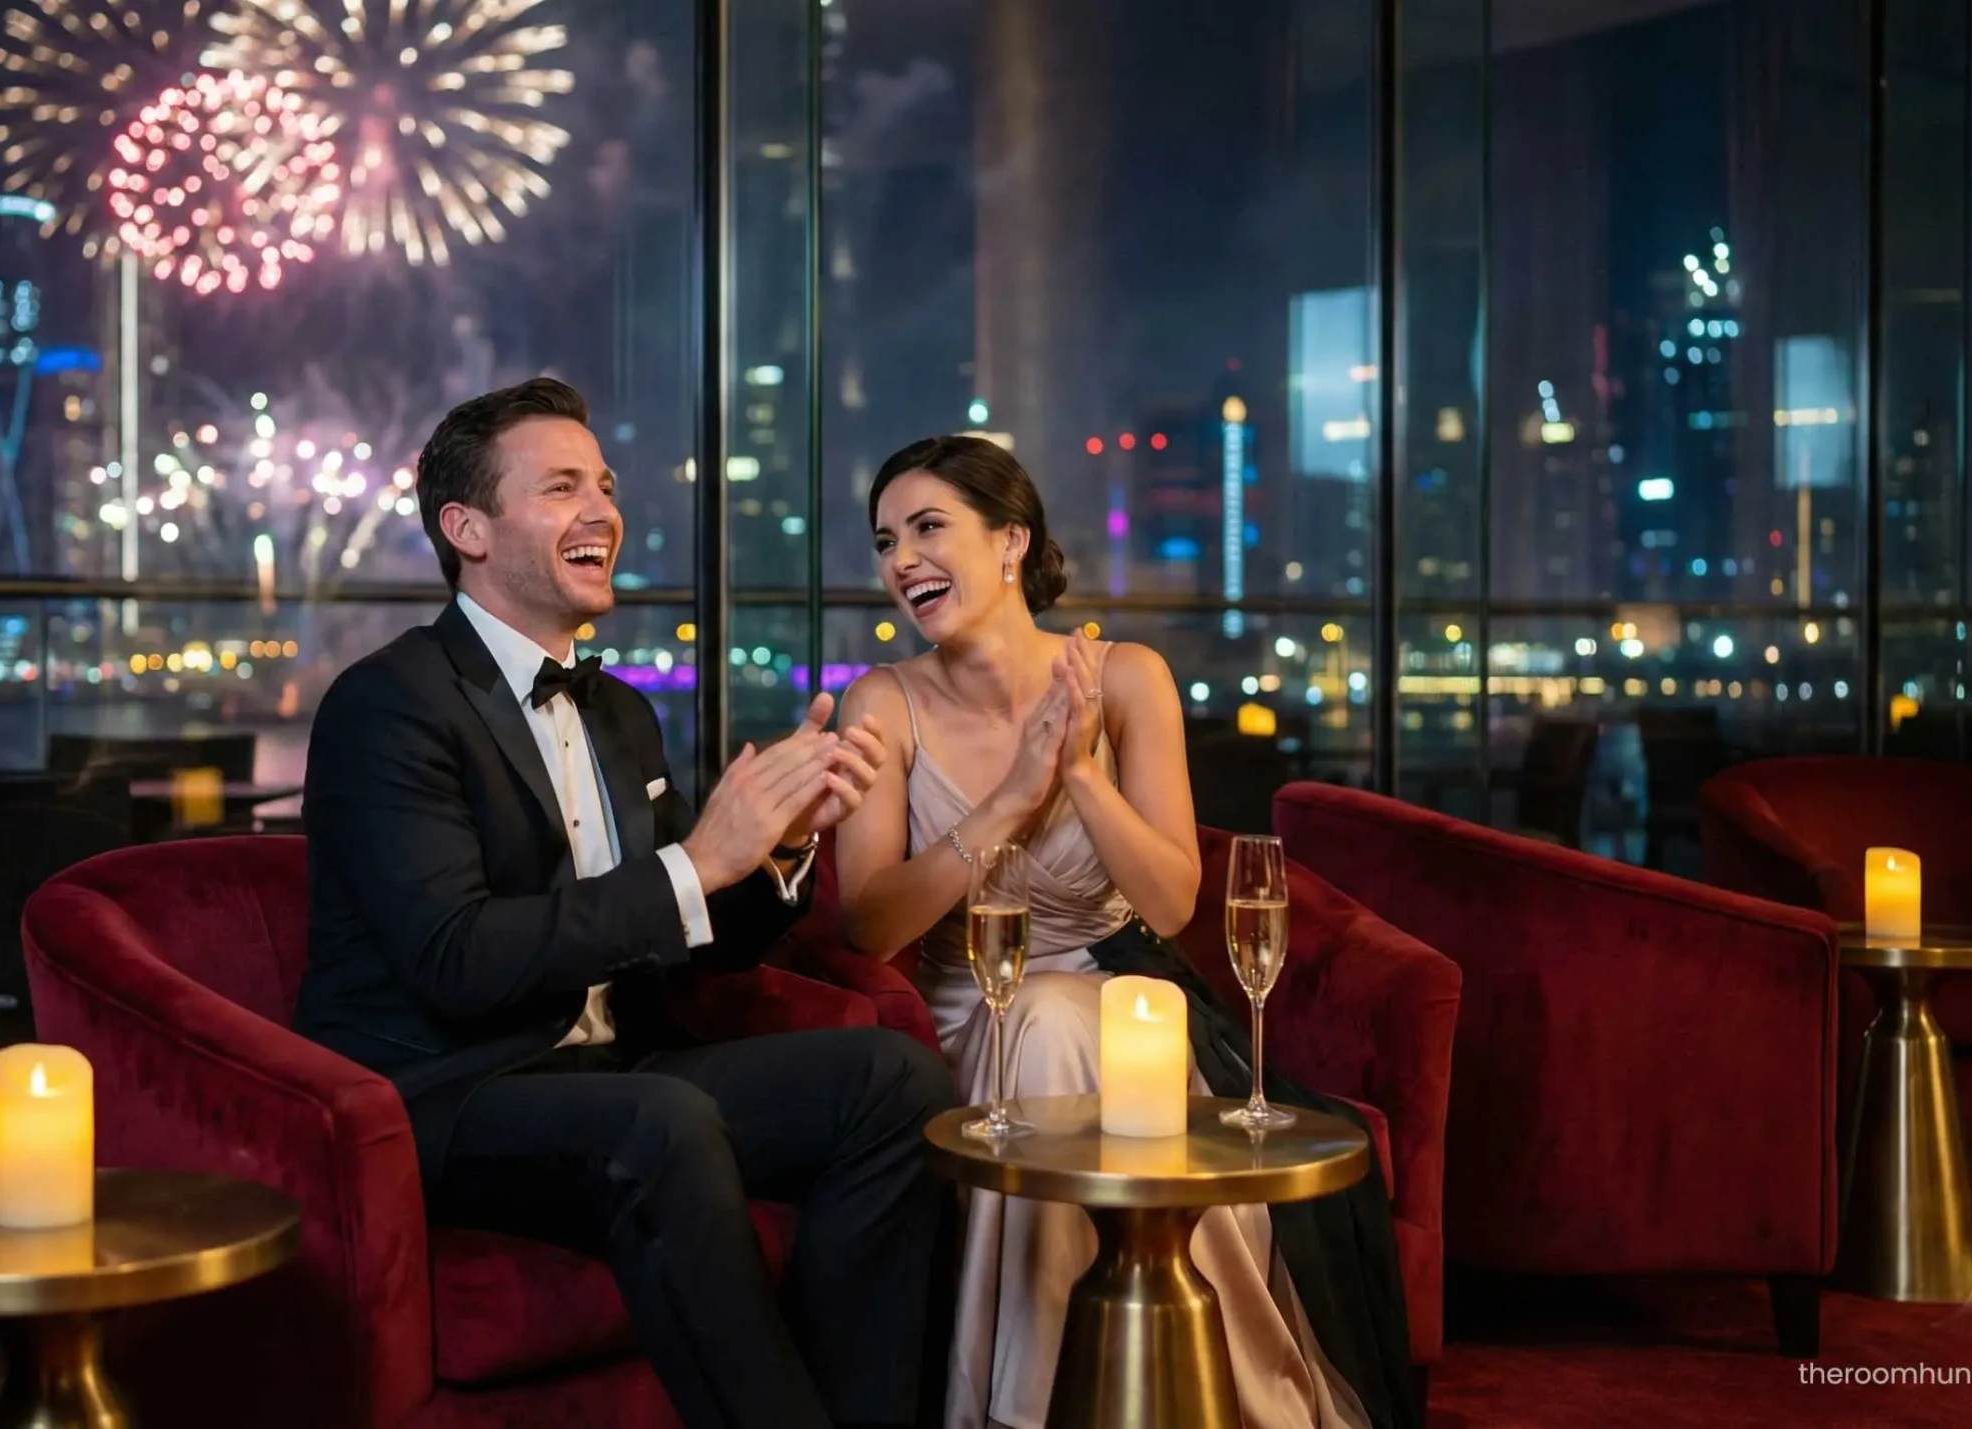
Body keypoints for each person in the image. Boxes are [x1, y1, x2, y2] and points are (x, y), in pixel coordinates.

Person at [297, 378, 956, 1429]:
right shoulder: (391, 704)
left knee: (895, 1078)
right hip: (450, 1091)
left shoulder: (619, 715)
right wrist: (698, 860)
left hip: (619, 1066)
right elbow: (454, 958)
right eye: (561, 487)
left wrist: (780, 848)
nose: (604, 509)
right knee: (662, 1119)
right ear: (465, 527)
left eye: (604, 483)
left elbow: (693, 942)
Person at [832, 435, 1418, 1429]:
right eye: (887, 540)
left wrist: (1083, 775)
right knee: (1049, 1023)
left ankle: (1090, 1396)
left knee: (1077, 1019)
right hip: (974, 1006)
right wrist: (1009, 800)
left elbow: (1173, 902)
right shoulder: (881, 701)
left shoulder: (1130, 677)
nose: (902, 562)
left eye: (929, 528)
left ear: (1011, 539)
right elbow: (870, 921)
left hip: (1123, 999)